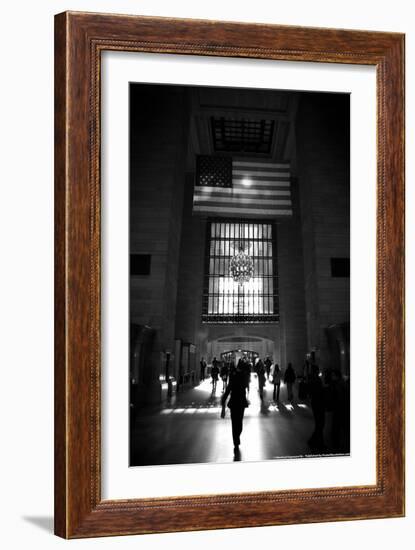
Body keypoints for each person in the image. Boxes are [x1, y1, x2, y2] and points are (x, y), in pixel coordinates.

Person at [221, 360, 249, 451]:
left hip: (239, 401)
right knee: (237, 422)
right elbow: (229, 387)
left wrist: (224, 398)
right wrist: (224, 398)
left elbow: (245, 384)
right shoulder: (234, 375)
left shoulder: (243, 375)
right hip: (236, 401)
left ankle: (236, 437)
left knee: (238, 422)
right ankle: (236, 441)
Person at [308, 364, 326, 450]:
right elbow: (320, 392)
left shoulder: (311, 379)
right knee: (320, 423)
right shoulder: (317, 380)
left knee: (319, 424)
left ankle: (314, 441)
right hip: (319, 403)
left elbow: (311, 392)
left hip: (314, 403)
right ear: (317, 371)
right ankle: (318, 442)